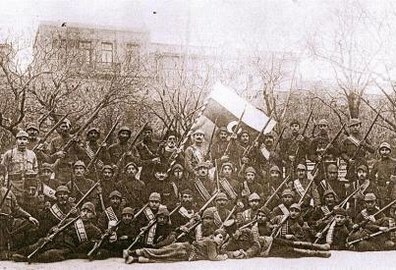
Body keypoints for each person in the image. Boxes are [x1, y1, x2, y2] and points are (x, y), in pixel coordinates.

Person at [125, 228, 228, 264]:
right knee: (160, 255)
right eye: (220, 237)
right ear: (214, 236)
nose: (221, 240)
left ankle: (134, 258)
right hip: (184, 251)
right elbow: (212, 257)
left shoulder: (209, 240)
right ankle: (132, 253)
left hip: (184, 249)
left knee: (162, 257)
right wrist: (223, 257)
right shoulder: (211, 243)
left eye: (223, 238)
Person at [2, 130, 39, 200]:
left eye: (24, 139)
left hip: (28, 187)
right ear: (16, 141)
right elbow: (2, 170)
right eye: (20, 139)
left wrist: (36, 188)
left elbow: (36, 171)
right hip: (14, 185)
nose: (22, 141)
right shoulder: (9, 154)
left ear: (27, 141)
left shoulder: (32, 154)